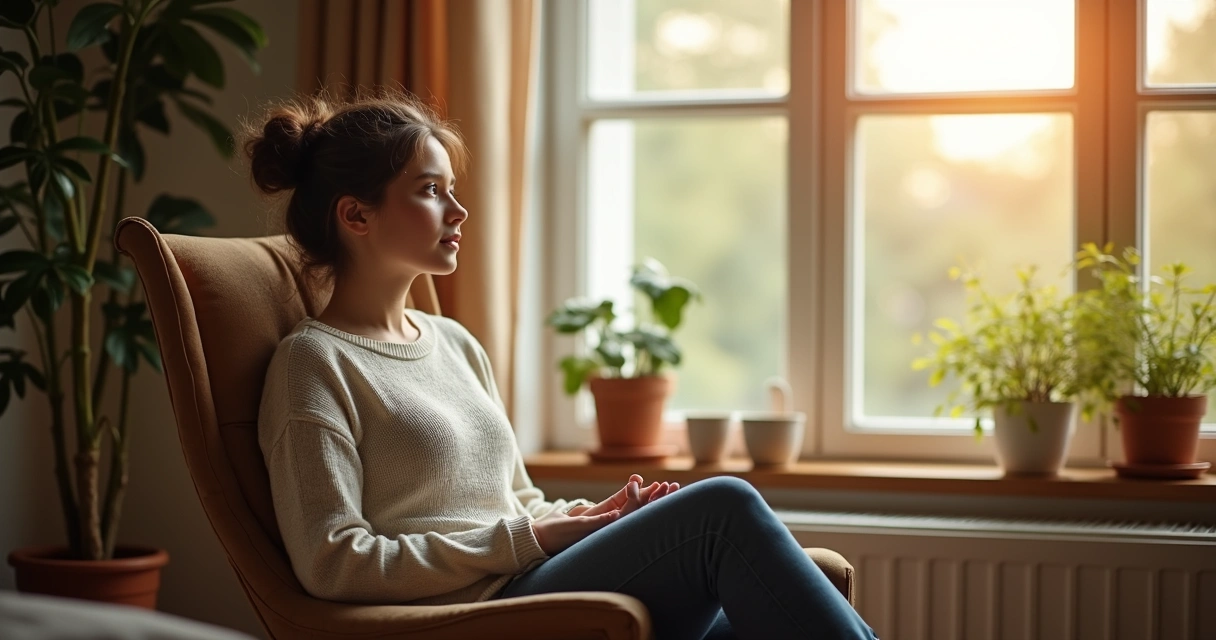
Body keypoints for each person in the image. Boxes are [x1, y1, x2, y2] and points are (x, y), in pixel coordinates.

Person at [249, 89, 876, 640]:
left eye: (452, 189)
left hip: (529, 577)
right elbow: (334, 561)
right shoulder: (313, 364)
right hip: (473, 612)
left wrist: (589, 518)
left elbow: (516, 500)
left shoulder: (454, 342)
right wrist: (533, 539)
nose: (458, 211)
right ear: (356, 214)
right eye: (430, 191)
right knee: (722, 509)